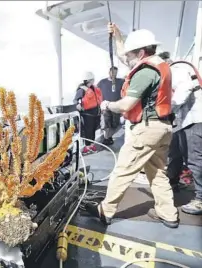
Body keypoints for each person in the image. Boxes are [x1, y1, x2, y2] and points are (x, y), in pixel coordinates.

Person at [86, 24, 179, 228]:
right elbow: (123, 55)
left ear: (142, 52)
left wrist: (107, 105)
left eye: (130, 54)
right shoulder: (160, 65)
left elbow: (127, 104)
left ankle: (106, 210)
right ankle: (168, 213)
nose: (126, 58)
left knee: (123, 171)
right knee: (157, 172)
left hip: (147, 130)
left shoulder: (145, 72)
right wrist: (118, 36)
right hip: (163, 128)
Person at [163, 54, 202, 214]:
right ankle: (171, 183)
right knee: (175, 154)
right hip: (182, 122)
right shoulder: (172, 70)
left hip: (193, 119)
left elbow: (184, 89)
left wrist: (167, 110)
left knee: (195, 159)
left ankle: (200, 200)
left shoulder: (176, 69)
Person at [73, 71, 103, 154]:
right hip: (87, 114)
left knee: (93, 130)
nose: (93, 81)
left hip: (96, 114)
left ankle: (92, 145)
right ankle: (87, 146)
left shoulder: (94, 88)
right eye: (92, 79)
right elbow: (75, 100)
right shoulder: (82, 89)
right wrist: (78, 104)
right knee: (87, 131)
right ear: (89, 80)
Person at [97, 67, 125, 145]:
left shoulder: (121, 81)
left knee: (115, 124)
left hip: (116, 106)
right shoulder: (102, 82)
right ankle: (107, 138)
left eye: (115, 72)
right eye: (112, 72)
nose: (114, 74)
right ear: (109, 72)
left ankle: (108, 137)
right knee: (106, 122)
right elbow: (96, 92)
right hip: (105, 107)